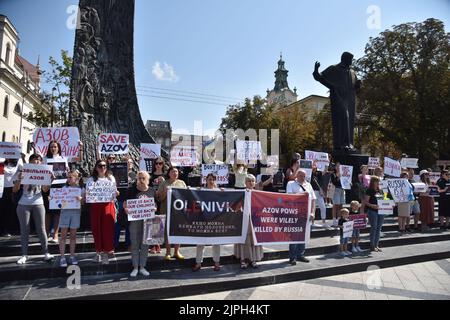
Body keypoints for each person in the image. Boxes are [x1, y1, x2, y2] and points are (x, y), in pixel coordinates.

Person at [13, 154, 54, 265]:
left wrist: (50, 181)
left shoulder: (43, 172)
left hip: (38, 202)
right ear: (30, 161)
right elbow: (15, 190)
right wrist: (19, 180)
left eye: (39, 160)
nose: (37, 161)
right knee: (24, 230)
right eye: (35, 159)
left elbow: (45, 190)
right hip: (23, 204)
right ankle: (24, 255)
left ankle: (46, 253)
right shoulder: (22, 172)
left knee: (41, 229)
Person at [124, 171, 153, 277]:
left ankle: (142, 267)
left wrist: (154, 208)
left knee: (145, 244)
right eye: (139, 178)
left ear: (147, 180)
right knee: (135, 244)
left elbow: (155, 205)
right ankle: (135, 267)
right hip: (134, 221)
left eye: (143, 178)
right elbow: (125, 204)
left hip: (147, 221)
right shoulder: (131, 190)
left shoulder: (152, 191)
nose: (141, 180)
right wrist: (126, 209)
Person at [88, 160, 118, 264]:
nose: (102, 168)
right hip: (96, 206)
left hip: (108, 205)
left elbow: (114, 192)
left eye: (104, 166)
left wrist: (116, 193)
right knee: (97, 228)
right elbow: (88, 192)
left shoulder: (111, 178)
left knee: (108, 228)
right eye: (100, 166)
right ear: (96, 168)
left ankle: (109, 250)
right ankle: (98, 252)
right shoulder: (91, 179)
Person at [286, 169, 317, 265]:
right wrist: (302, 194)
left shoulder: (308, 185)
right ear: (297, 175)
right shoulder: (291, 184)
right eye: (301, 175)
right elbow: (289, 197)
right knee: (294, 236)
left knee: (303, 235)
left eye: (304, 176)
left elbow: (313, 200)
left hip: (306, 214)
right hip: (295, 213)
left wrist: (313, 212)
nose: (302, 177)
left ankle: (300, 254)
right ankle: (292, 257)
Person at [192, 173, 222, 272]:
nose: (211, 181)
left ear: (215, 181)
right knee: (200, 243)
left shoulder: (218, 191)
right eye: (209, 179)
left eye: (213, 179)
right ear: (206, 180)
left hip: (215, 221)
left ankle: (217, 263)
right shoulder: (201, 191)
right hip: (203, 221)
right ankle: (198, 263)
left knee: (216, 243)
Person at [157, 166, 187, 260]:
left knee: (178, 231)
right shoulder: (163, 183)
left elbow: (187, 197)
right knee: (167, 232)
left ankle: (177, 251)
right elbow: (159, 198)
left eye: (176, 172)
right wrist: (165, 192)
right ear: (169, 173)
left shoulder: (182, 183)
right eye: (173, 171)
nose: (175, 173)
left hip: (178, 212)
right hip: (166, 211)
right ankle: (168, 252)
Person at [234, 174, 264, 269]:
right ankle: (243, 259)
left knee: (253, 240)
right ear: (245, 183)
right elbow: (236, 207)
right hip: (244, 219)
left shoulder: (258, 194)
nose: (251, 183)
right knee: (245, 240)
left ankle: (253, 259)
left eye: (252, 181)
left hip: (255, 220)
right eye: (249, 181)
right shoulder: (242, 193)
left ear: (255, 183)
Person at [43, 140, 70, 244]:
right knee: (48, 212)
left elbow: (66, 172)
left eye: (55, 147)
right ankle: (45, 234)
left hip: (60, 187)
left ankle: (55, 235)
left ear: (58, 148)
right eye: (51, 147)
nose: (53, 148)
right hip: (48, 187)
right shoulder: (45, 159)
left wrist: (66, 172)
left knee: (58, 211)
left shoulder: (63, 159)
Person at [58, 170, 84, 267]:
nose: (68, 179)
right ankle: (62, 257)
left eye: (70, 177)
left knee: (73, 235)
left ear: (76, 178)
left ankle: (72, 255)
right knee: (63, 235)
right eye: (68, 177)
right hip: (65, 213)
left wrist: (81, 200)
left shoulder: (81, 189)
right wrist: (53, 199)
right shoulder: (64, 188)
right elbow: (59, 203)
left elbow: (84, 202)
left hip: (76, 213)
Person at [0, 158, 23, 236]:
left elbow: (24, 170)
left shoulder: (19, 160)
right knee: (2, 209)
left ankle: (7, 229)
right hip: (1, 188)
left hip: (13, 188)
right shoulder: (1, 159)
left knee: (10, 210)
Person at [361, 176, 385, 252]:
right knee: (374, 227)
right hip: (372, 211)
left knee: (379, 228)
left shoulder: (380, 190)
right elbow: (366, 202)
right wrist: (372, 205)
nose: (378, 183)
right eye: (377, 181)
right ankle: (372, 245)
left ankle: (376, 245)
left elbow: (383, 200)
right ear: (373, 182)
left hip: (381, 211)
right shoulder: (369, 190)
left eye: (379, 181)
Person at [149, 157, 165, 254]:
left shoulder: (166, 176)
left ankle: (157, 244)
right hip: (153, 201)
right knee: (152, 222)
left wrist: (163, 181)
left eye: (160, 163)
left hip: (162, 201)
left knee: (160, 223)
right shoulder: (150, 176)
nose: (158, 165)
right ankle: (153, 245)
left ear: (163, 165)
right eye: (156, 163)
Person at [311, 161, 328, 228]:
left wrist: (326, 162)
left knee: (323, 207)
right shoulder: (309, 173)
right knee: (313, 208)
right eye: (313, 165)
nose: (314, 166)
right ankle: (312, 223)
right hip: (312, 192)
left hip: (318, 192)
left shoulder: (318, 173)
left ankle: (323, 222)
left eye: (315, 165)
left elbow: (325, 170)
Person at [331, 163, 345, 227]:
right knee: (335, 205)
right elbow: (334, 182)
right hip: (336, 189)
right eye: (337, 166)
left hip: (342, 189)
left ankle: (339, 220)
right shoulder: (333, 174)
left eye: (340, 166)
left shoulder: (344, 173)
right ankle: (334, 220)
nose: (339, 167)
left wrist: (349, 183)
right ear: (335, 167)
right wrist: (338, 177)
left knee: (340, 205)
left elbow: (346, 181)